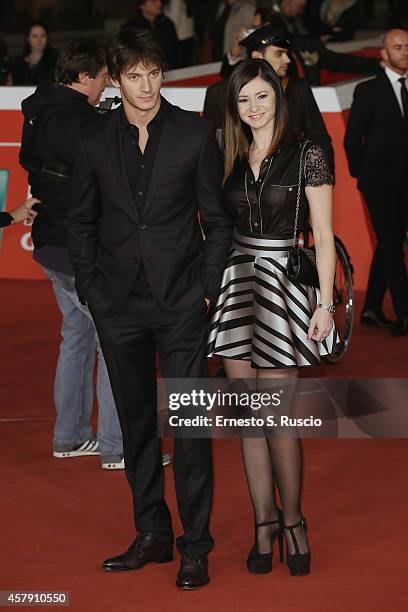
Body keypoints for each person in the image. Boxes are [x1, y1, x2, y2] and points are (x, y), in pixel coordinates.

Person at [68, 29, 232, 589]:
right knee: (137, 426)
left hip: (182, 301)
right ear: (115, 78)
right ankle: (152, 533)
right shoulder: (93, 138)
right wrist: (89, 284)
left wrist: (206, 286)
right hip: (117, 302)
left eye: (154, 73)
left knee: (188, 427)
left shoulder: (193, 133)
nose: (145, 85)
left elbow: (216, 219)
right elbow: (82, 219)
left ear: (164, 74)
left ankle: (196, 544)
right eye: (133, 75)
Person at [207, 58, 337, 576]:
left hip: (284, 283)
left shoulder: (309, 153)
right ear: (233, 107)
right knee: (247, 420)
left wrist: (325, 304)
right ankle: (263, 523)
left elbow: (324, 236)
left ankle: (294, 521)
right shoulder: (228, 151)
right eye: (243, 100)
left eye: (261, 96)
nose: (253, 108)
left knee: (276, 418)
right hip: (238, 281)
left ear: (278, 97)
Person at [19, 39, 127, 470]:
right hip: (82, 251)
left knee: (76, 339)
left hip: (51, 246)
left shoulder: (38, 112)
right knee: (114, 346)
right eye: (103, 78)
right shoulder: (82, 123)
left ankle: (70, 436)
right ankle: (118, 448)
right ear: (85, 78)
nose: (105, 87)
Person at [203, 19, 334, 173]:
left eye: (286, 53)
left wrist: (323, 176)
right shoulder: (219, 93)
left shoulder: (297, 88)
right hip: (236, 183)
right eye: (279, 54)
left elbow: (319, 139)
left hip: (288, 181)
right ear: (257, 56)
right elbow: (210, 148)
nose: (287, 60)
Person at [344, 29, 408, 337]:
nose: (404, 51)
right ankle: (404, 313)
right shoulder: (368, 90)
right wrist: (364, 175)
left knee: (388, 241)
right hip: (379, 183)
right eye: (397, 47)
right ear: (383, 54)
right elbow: (351, 140)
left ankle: (370, 308)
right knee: (394, 244)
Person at [270, 0, 381, 85]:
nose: (303, 7)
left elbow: (338, 61)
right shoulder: (270, 49)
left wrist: (379, 64)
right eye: (300, 6)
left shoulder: (306, 42)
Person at [122, 0, 179, 68]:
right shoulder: (131, 28)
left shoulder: (167, 23)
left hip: (169, 70)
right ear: (142, 6)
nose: (159, 3)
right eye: (154, 1)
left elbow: (175, 51)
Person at [11, 21, 58, 86]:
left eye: (43, 36)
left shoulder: (55, 62)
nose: (39, 40)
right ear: (27, 39)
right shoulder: (18, 64)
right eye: (35, 36)